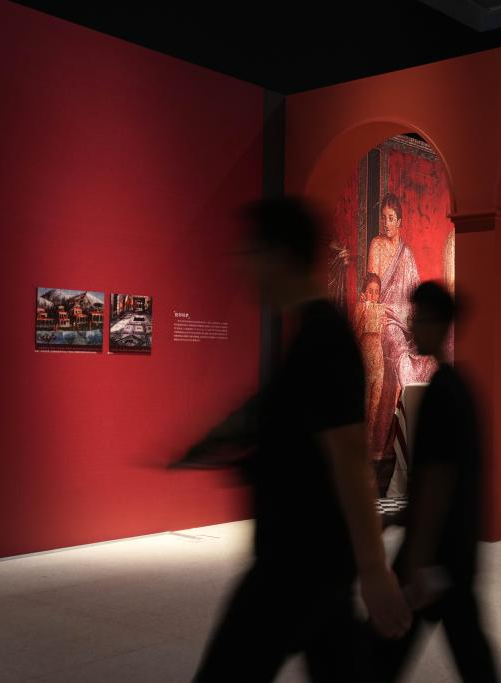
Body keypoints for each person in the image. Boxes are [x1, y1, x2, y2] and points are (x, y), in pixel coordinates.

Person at [171, 197, 410, 682]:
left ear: (278, 256)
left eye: (251, 254)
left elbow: (350, 460)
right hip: (307, 561)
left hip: (296, 566)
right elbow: (274, 411)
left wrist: (374, 571)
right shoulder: (310, 336)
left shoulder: (324, 338)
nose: (243, 267)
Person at [375, 281, 500, 682]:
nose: (413, 326)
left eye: (420, 318)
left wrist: (417, 557)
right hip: (455, 551)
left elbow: (437, 481)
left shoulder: (442, 393)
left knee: (385, 648)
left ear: (439, 323)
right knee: (469, 649)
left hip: (434, 553)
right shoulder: (459, 388)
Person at [367, 193, 436, 460]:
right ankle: (391, 442)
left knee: (429, 359)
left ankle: (415, 436)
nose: (386, 223)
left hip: (407, 321)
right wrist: (381, 313)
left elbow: (415, 290)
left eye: (391, 218)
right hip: (385, 320)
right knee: (402, 359)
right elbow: (372, 288)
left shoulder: (406, 253)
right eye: (383, 217)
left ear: (400, 222)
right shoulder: (376, 245)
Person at [356, 273, 386, 458]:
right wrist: (362, 313)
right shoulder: (360, 308)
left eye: (376, 292)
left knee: (373, 413)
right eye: (370, 291)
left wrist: (382, 325)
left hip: (379, 362)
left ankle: (367, 456)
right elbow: (356, 336)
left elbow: (380, 339)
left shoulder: (381, 309)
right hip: (365, 361)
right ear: (364, 292)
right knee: (364, 410)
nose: (373, 296)